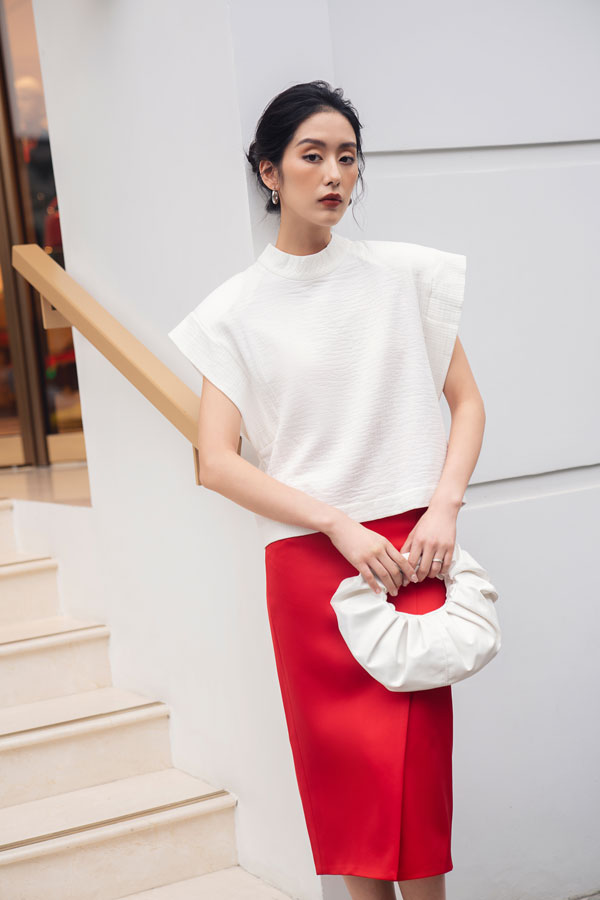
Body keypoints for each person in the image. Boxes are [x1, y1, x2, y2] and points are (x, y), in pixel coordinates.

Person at [168, 80, 486, 900]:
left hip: (410, 555)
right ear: (270, 172)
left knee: (415, 793)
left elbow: (467, 403)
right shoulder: (232, 312)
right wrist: (335, 522)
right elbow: (216, 460)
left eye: (348, 156)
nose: (335, 173)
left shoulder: (405, 277)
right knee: (346, 798)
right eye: (312, 156)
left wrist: (443, 506)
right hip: (312, 566)